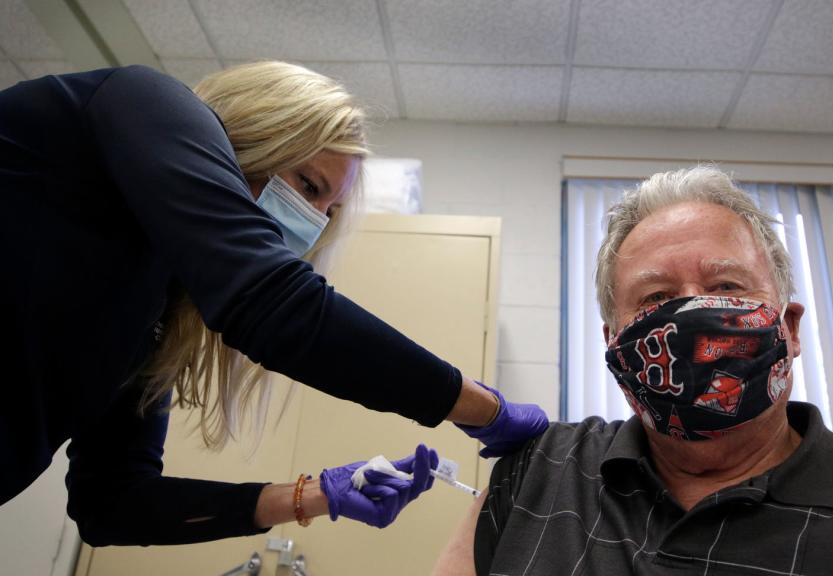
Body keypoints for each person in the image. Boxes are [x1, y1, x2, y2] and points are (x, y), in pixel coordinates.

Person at [0, 62, 549, 546]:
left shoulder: (155, 314)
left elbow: (111, 504)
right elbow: (271, 303)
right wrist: (484, 410)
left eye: (327, 213)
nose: (310, 222)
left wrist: (316, 497)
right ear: (251, 135)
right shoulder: (143, 101)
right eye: (308, 185)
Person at [402, 167, 833, 576]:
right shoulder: (539, 473)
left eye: (729, 286)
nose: (695, 316)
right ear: (614, 347)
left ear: (789, 329)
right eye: (657, 298)